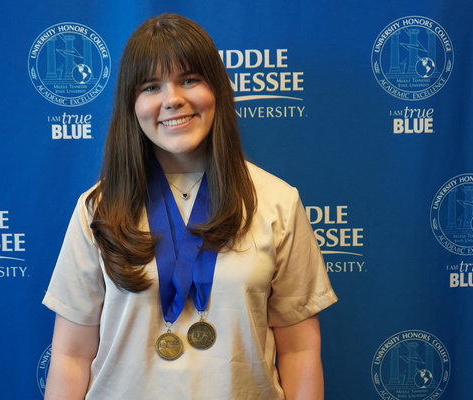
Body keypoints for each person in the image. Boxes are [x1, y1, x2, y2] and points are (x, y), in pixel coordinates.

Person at [42, 13, 337, 400]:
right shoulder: (98, 208)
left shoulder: (278, 201)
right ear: (132, 104)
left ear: (216, 89)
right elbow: (71, 356)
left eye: (189, 79)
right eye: (151, 86)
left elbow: (299, 349)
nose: (172, 99)